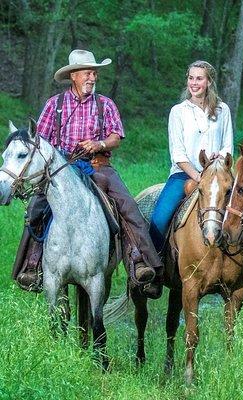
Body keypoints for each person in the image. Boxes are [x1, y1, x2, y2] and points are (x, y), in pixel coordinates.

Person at [13, 49, 163, 299]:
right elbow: (41, 141)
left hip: (97, 166)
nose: (92, 78)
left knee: (127, 207)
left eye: (94, 73)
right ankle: (32, 265)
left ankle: (140, 262)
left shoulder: (105, 104)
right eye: (87, 73)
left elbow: (116, 137)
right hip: (61, 170)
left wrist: (100, 144)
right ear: (74, 76)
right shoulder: (55, 105)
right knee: (35, 209)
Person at [149, 60, 233, 253]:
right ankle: (153, 266)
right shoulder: (178, 112)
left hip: (218, 176)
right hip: (184, 174)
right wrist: (197, 176)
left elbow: (227, 146)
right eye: (191, 78)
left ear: (209, 82)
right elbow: (177, 154)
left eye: (199, 78)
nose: (194, 83)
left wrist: (219, 158)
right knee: (159, 219)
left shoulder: (223, 110)